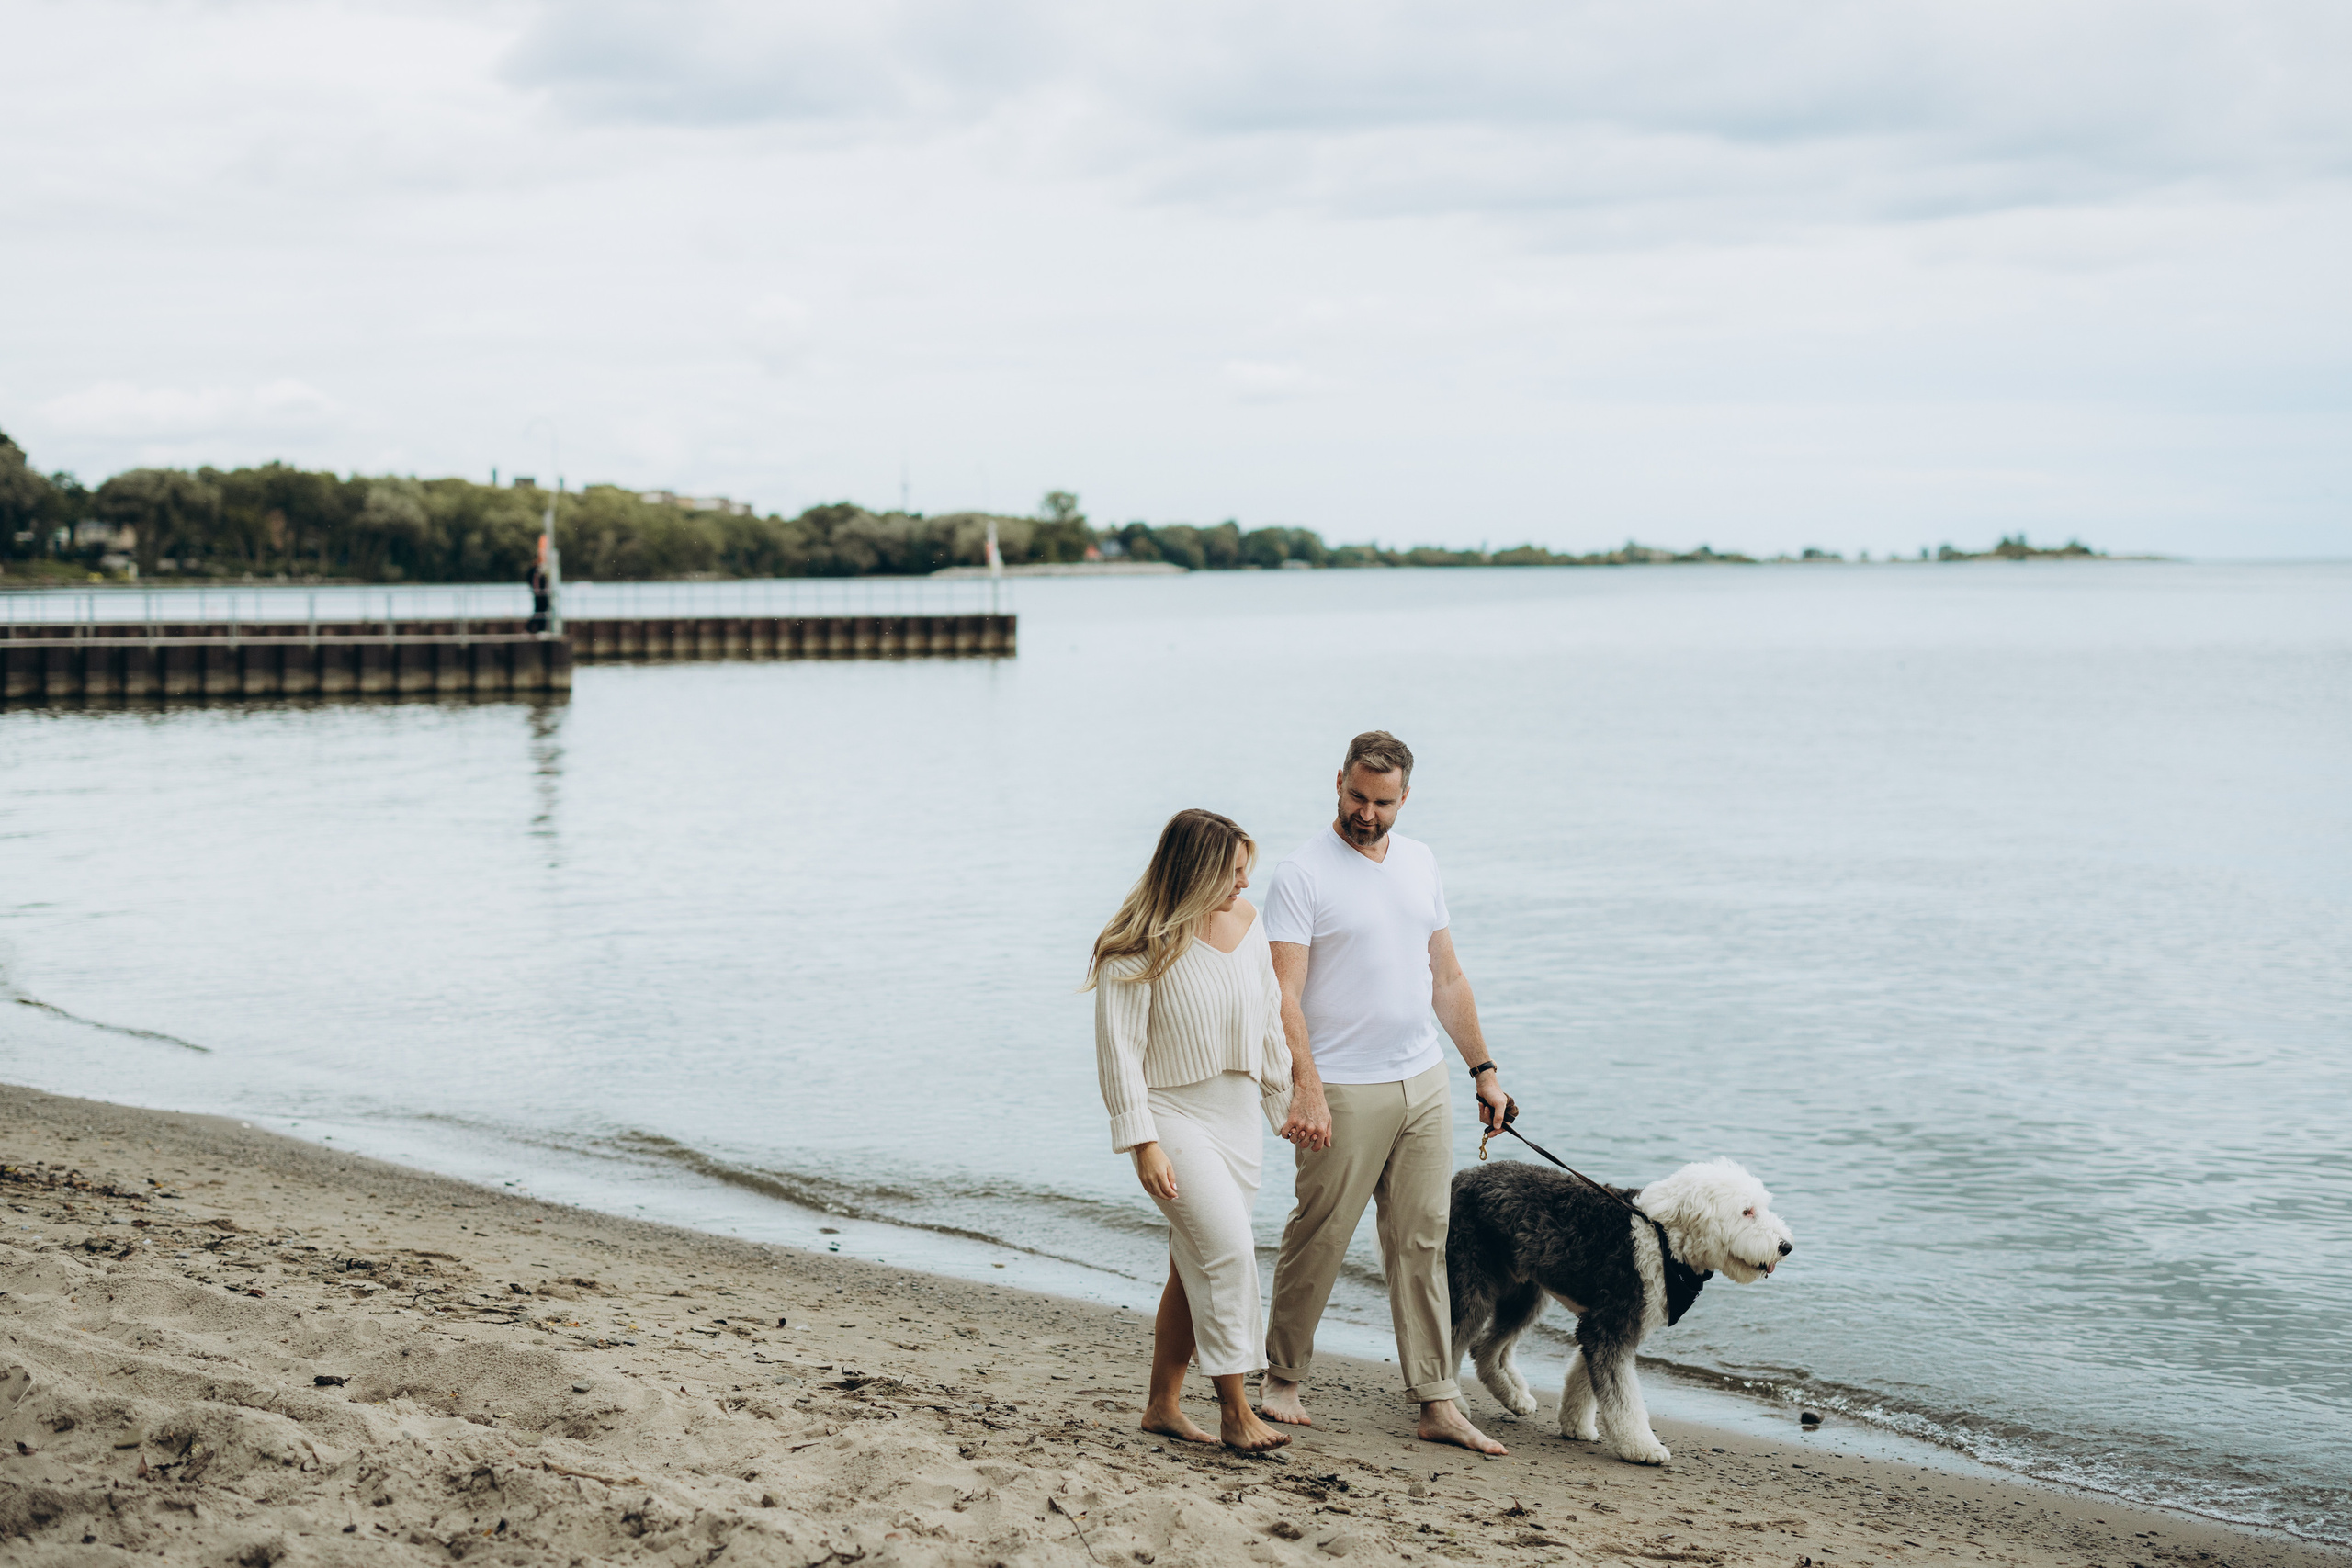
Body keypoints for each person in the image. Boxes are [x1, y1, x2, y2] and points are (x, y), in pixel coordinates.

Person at [1257, 731, 1514, 1454]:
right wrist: (1304, 1085)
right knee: (1321, 1231)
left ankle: (1436, 1398)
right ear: (1338, 780)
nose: (1365, 813)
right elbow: (1285, 992)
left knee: (1423, 1239)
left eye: (1382, 801)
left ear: (1405, 796)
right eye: (1355, 796)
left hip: (1423, 1080)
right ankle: (1282, 1376)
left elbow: (1446, 976)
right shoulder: (1302, 873)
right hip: (1340, 1084)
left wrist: (1482, 1069)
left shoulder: (1421, 861)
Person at [1090, 808, 1295, 1452]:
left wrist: (1287, 1104)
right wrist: (1141, 1139)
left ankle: (1161, 1405)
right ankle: (1236, 1409)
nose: (1243, 884)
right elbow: (1119, 1050)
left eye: (1246, 871)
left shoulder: (1249, 923)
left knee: (1192, 1264)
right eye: (1232, 872)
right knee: (1229, 1251)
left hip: (1237, 1118)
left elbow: (1267, 1018)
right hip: (1173, 1116)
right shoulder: (1137, 941)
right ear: (1196, 870)